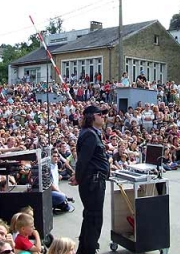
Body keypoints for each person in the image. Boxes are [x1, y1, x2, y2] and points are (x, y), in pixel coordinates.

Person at [69, 105, 109, 254]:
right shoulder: (90, 135)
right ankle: (89, 249)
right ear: (92, 117)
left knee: (90, 217)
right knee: (94, 218)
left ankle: (84, 250)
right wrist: (78, 177)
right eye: (100, 114)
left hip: (93, 181)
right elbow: (83, 160)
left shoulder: (91, 133)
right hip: (93, 182)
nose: (103, 117)